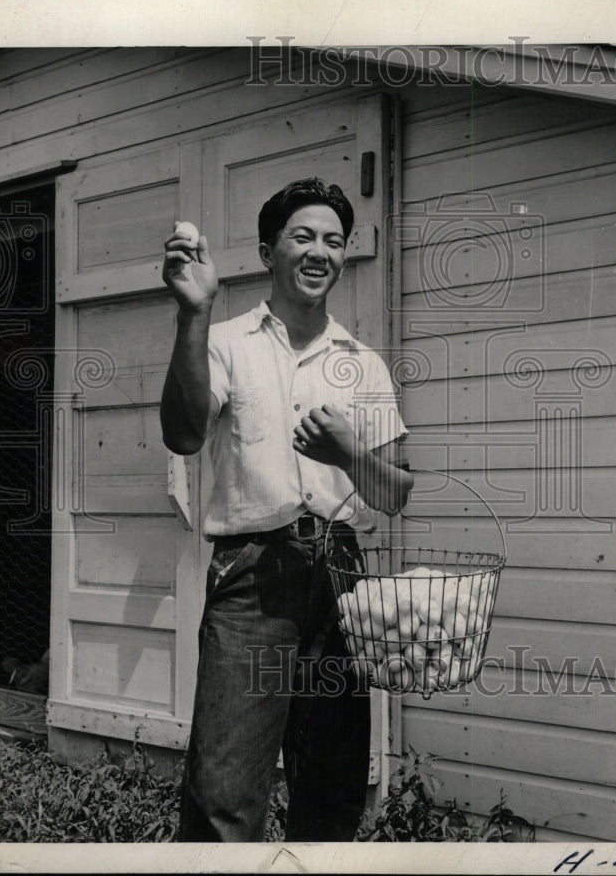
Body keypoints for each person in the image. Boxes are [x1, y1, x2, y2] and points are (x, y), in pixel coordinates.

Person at [160, 177, 413, 842]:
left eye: (333, 239)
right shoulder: (225, 343)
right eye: (303, 236)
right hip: (252, 579)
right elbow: (183, 434)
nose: (319, 251)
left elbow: (396, 493)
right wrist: (192, 314)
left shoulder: (364, 364)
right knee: (224, 793)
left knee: (331, 792)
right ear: (269, 249)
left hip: (341, 580)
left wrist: (351, 454)